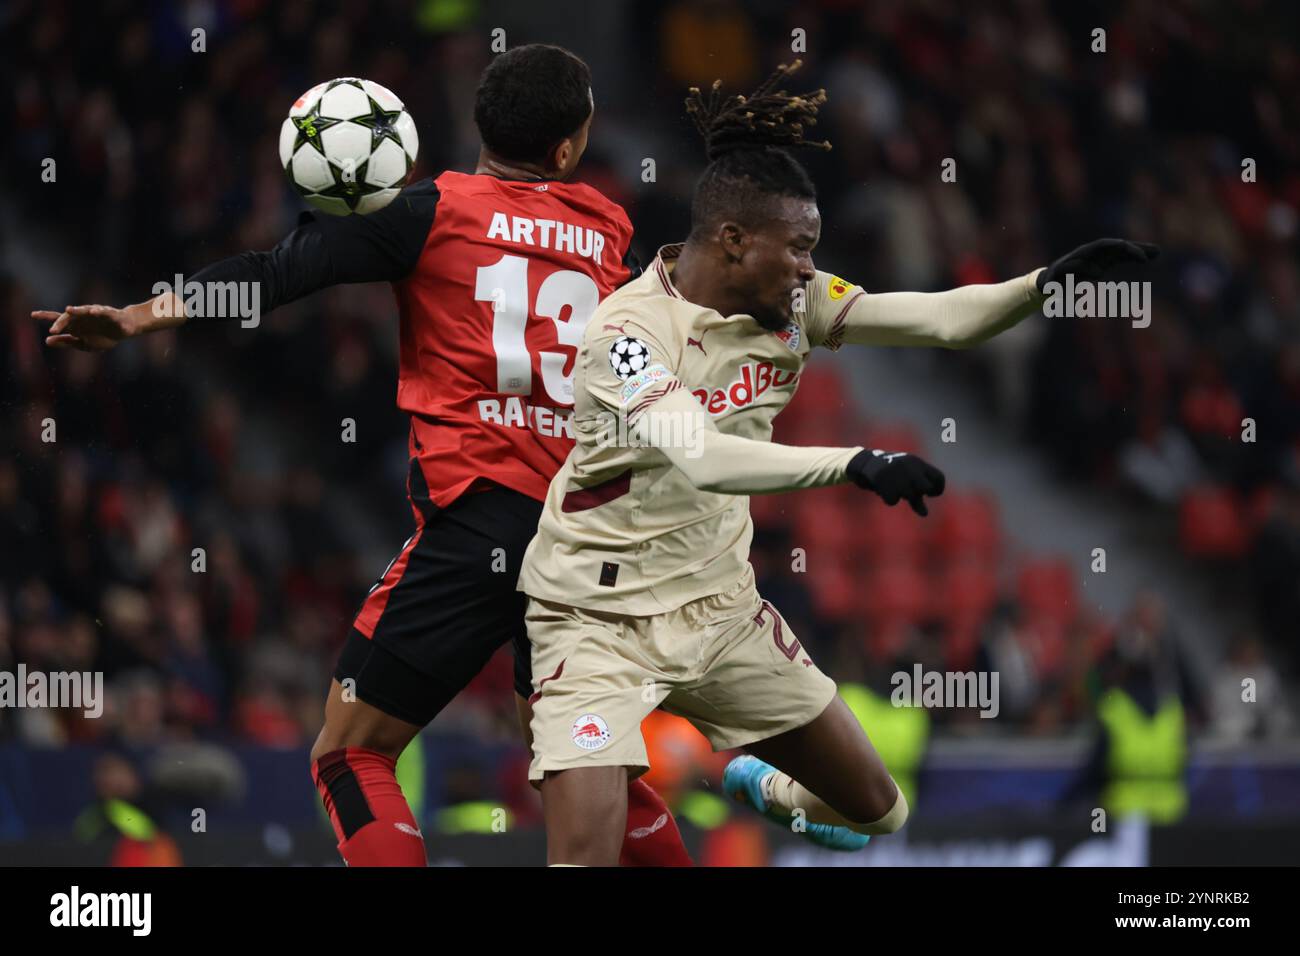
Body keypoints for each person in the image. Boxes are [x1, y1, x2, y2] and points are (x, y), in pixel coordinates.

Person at [34, 44, 690, 867]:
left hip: (481, 518)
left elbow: (276, 274)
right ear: (568, 150)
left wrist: (140, 316)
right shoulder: (608, 230)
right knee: (582, 767)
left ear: (479, 127)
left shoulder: (427, 212)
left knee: (352, 752)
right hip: (589, 535)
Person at [518, 61, 1159, 865]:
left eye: (811, 252)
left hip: (720, 613)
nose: (806, 268)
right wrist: (853, 462)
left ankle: (754, 781)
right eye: (797, 250)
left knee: (876, 813)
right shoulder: (627, 335)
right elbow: (704, 457)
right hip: (596, 616)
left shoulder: (796, 301)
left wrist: (1043, 285)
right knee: (585, 855)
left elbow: (940, 321)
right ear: (733, 240)